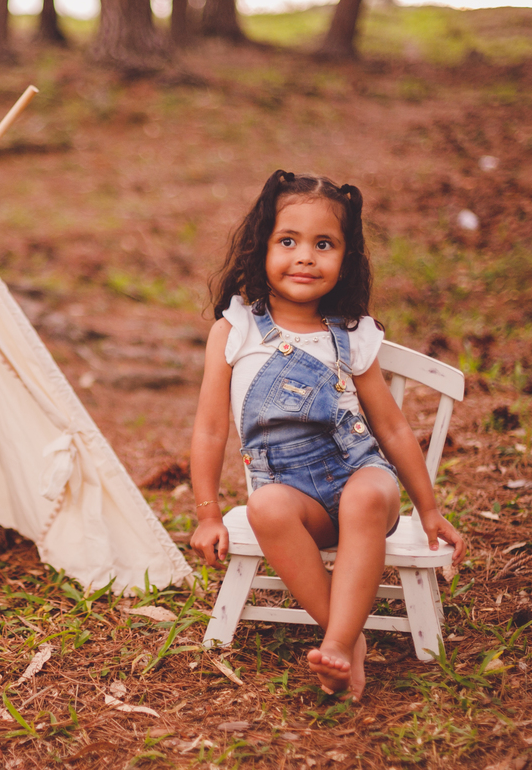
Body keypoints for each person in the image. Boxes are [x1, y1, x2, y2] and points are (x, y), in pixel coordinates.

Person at [189, 169, 467, 701]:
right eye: (288, 241)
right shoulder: (236, 328)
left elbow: (389, 426)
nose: (305, 257)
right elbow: (209, 428)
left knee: (366, 494)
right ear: (260, 246)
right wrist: (206, 513)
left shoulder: (352, 333)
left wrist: (428, 509)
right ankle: (349, 641)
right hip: (295, 498)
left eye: (324, 244)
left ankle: (336, 641)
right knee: (265, 508)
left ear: (347, 258)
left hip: (360, 479)